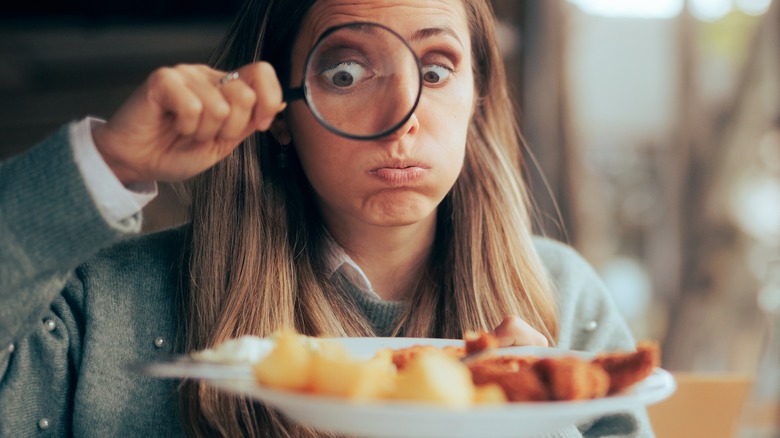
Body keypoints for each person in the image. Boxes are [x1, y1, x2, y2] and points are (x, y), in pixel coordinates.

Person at [0, 0, 655, 436]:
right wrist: (103, 165)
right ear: (282, 113)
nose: (405, 115)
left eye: (436, 68)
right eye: (345, 72)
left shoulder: (565, 299)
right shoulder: (104, 304)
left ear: (478, 100)